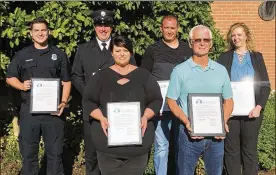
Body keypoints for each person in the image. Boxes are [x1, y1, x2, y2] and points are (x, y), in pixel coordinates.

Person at [82, 35, 163, 175]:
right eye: (118, 51)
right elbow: (88, 101)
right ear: (111, 52)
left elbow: (156, 99)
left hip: (137, 147)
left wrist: (145, 116)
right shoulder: (100, 77)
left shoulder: (144, 75)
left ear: (131, 53)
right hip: (107, 146)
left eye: (125, 50)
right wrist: (101, 117)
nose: (122, 54)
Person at [71, 9, 136, 175]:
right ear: (94, 27)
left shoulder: (121, 48)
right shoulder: (83, 49)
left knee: (115, 156)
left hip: (117, 110)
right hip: (92, 111)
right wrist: (91, 94)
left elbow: (134, 74)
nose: (103, 29)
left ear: (112, 27)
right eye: (100, 25)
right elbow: (76, 76)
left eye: (106, 25)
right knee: (92, 156)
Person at [6, 17, 71, 175]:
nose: (40, 33)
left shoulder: (58, 54)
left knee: (55, 155)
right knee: (29, 155)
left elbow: (67, 81)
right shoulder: (22, 55)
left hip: (53, 112)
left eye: (43, 30)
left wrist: (63, 102)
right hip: (29, 112)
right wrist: (21, 85)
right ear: (31, 33)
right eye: (36, 30)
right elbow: (10, 77)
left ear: (48, 32)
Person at [166, 25, 234, 175]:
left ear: (211, 44)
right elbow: (171, 101)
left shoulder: (221, 70)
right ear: (191, 43)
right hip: (188, 133)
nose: (202, 43)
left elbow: (228, 101)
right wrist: (187, 121)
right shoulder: (179, 70)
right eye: (198, 40)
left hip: (216, 136)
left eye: (206, 40)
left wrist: (223, 122)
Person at [140, 14, 192, 175]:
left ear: (178, 29)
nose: (169, 31)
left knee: (181, 147)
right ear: (161, 28)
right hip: (161, 110)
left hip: (182, 109)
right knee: (162, 148)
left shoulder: (187, 50)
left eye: (172, 28)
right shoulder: (152, 50)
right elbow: (144, 79)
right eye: (166, 27)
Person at [217, 22, 271, 175]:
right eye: (233, 35)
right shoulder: (224, 58)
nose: (236, 38)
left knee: (249, 151)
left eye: (239, 34)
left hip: (252, 113)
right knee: (231, 151)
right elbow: (218, 86)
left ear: (246, 36)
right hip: (231, 113)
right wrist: (223, 111)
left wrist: (259, 107)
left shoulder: (257, 57)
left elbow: (265, 86)